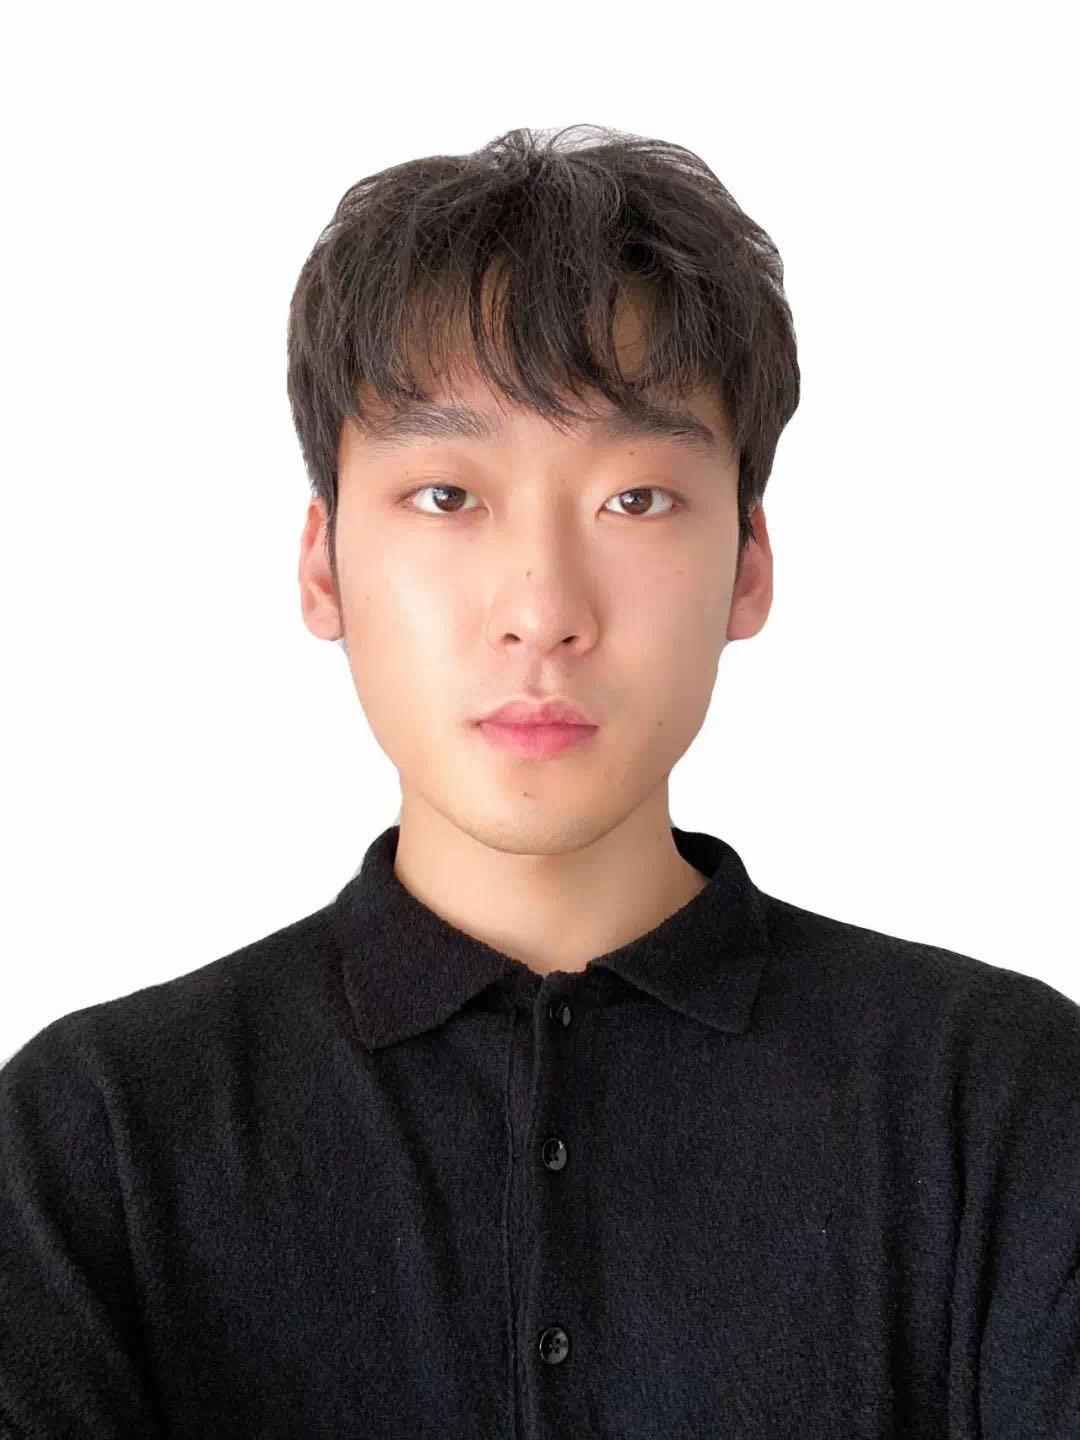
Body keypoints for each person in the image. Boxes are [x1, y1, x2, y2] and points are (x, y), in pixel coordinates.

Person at [1, 124, 1077, 1439]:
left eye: (635, 500)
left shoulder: (1000, 1104)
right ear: (324, 565)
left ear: (749, 565)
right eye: (446, 496)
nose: (543, 612)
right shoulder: (99, 1138)